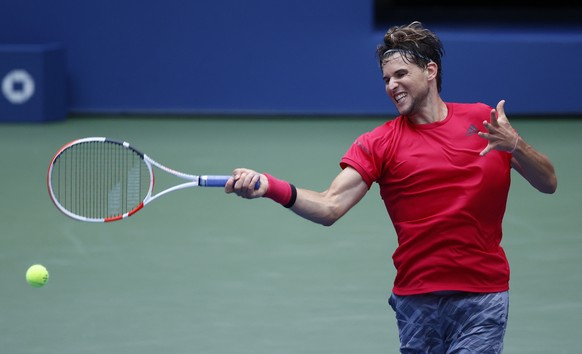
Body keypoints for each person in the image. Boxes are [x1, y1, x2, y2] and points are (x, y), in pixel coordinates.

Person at [225, 21, 557, 353]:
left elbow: (548, 182)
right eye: (386, 79)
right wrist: (270, 186)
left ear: (430, 70)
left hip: (483, 296)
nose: (391, 85)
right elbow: (330, 206)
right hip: (417, 303)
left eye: (399, 74)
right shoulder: (379, 143)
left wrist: (516, 146)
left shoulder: (483, 121)